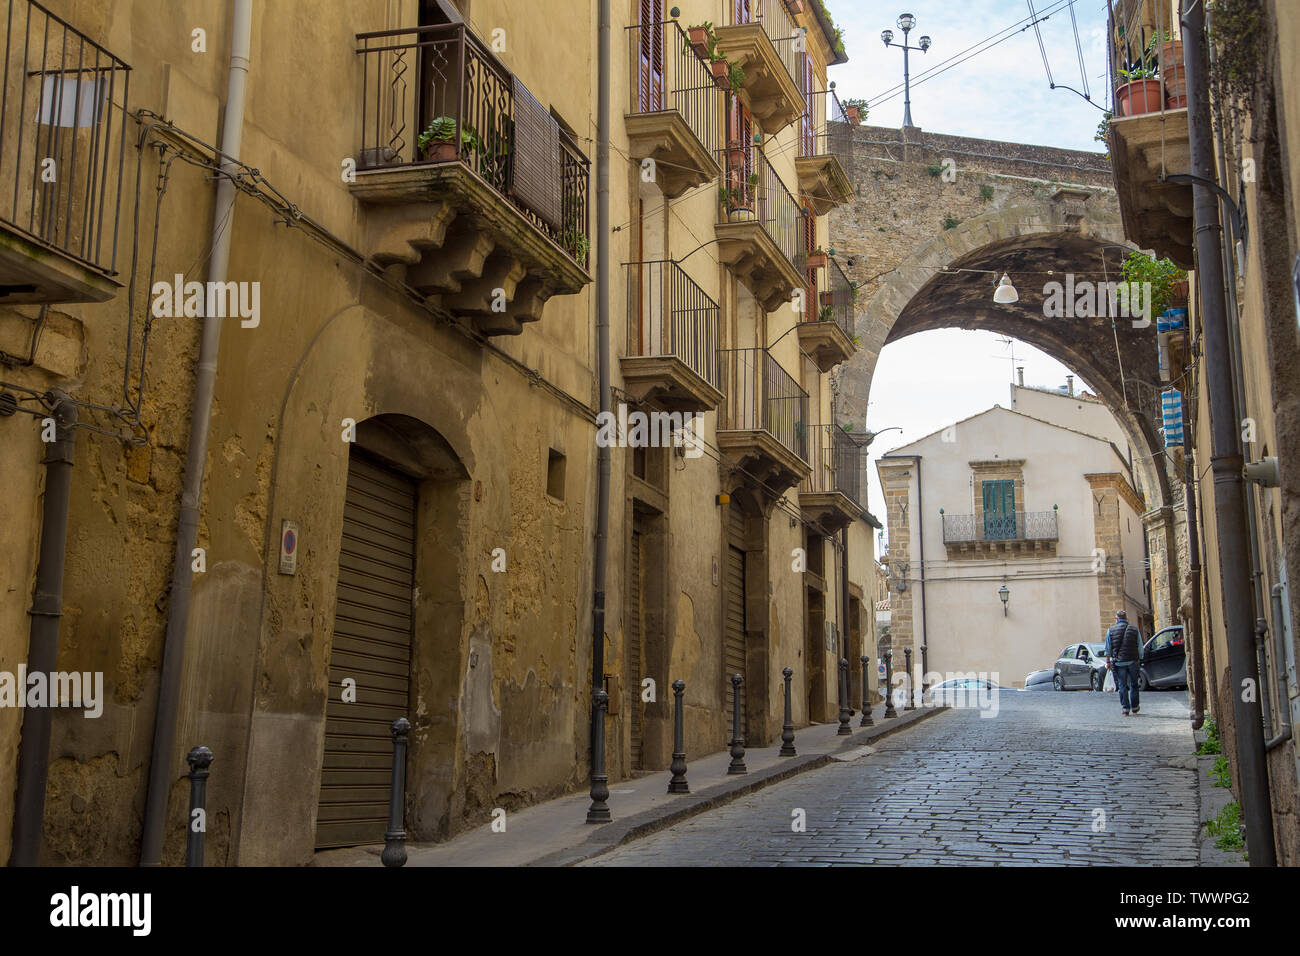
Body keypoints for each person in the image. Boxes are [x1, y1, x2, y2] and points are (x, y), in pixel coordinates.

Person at [1104, 610, 1142, 715]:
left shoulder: (1110, 631)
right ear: (1126, 619)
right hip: (1132, 660)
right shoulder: (1135, 630)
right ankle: (1135, 707)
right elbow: (1140, 646)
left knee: (1122, 685)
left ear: (1116, 619)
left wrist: (1107, 661)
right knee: (1134, 684)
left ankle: (1125, 709)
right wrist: (1140, 658)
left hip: (1119, 662)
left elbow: (1108, 648)